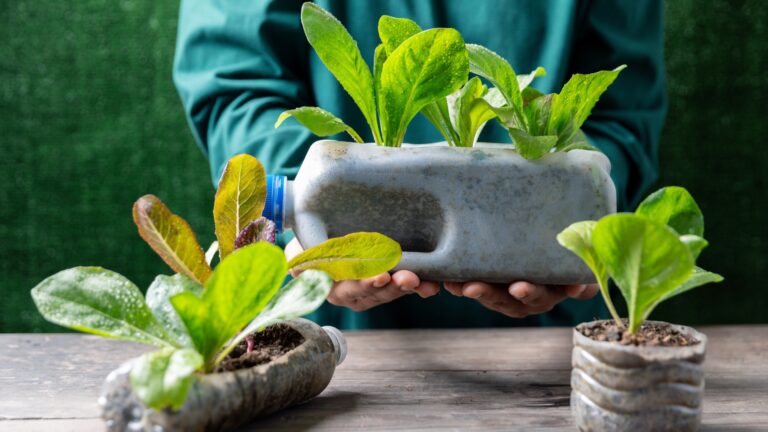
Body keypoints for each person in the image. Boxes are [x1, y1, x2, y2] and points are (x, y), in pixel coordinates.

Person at [173, 0, 666, 329]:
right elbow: (234, 85)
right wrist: (307, 238)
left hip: (547, 352)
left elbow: (623, 120)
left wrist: (576, 226)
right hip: (339, 340)